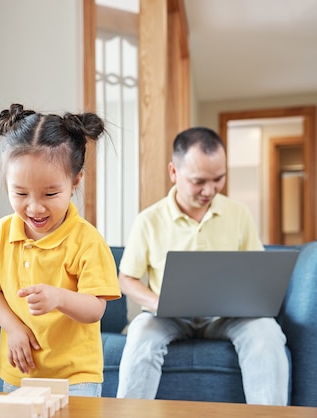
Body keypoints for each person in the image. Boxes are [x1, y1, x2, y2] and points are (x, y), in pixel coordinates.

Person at [116, 127, 288, 405]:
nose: (210, 190)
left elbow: (258, 270)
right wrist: (158, 302)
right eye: (198, 181)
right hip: (167, 317)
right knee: (140, 332)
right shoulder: (148, 220)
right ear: (174, 172)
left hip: (225, 317)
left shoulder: (238, 213)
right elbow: (126, 279)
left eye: (218, 179)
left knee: (266, 331)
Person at [0, 103, 122, 397]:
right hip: (19, 371)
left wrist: (59, 297)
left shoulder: (87, 240)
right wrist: (13, 328)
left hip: (76, 376)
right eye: (20, 193)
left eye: (50, 194)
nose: (35, 207)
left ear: (75, 181)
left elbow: (95, 309)